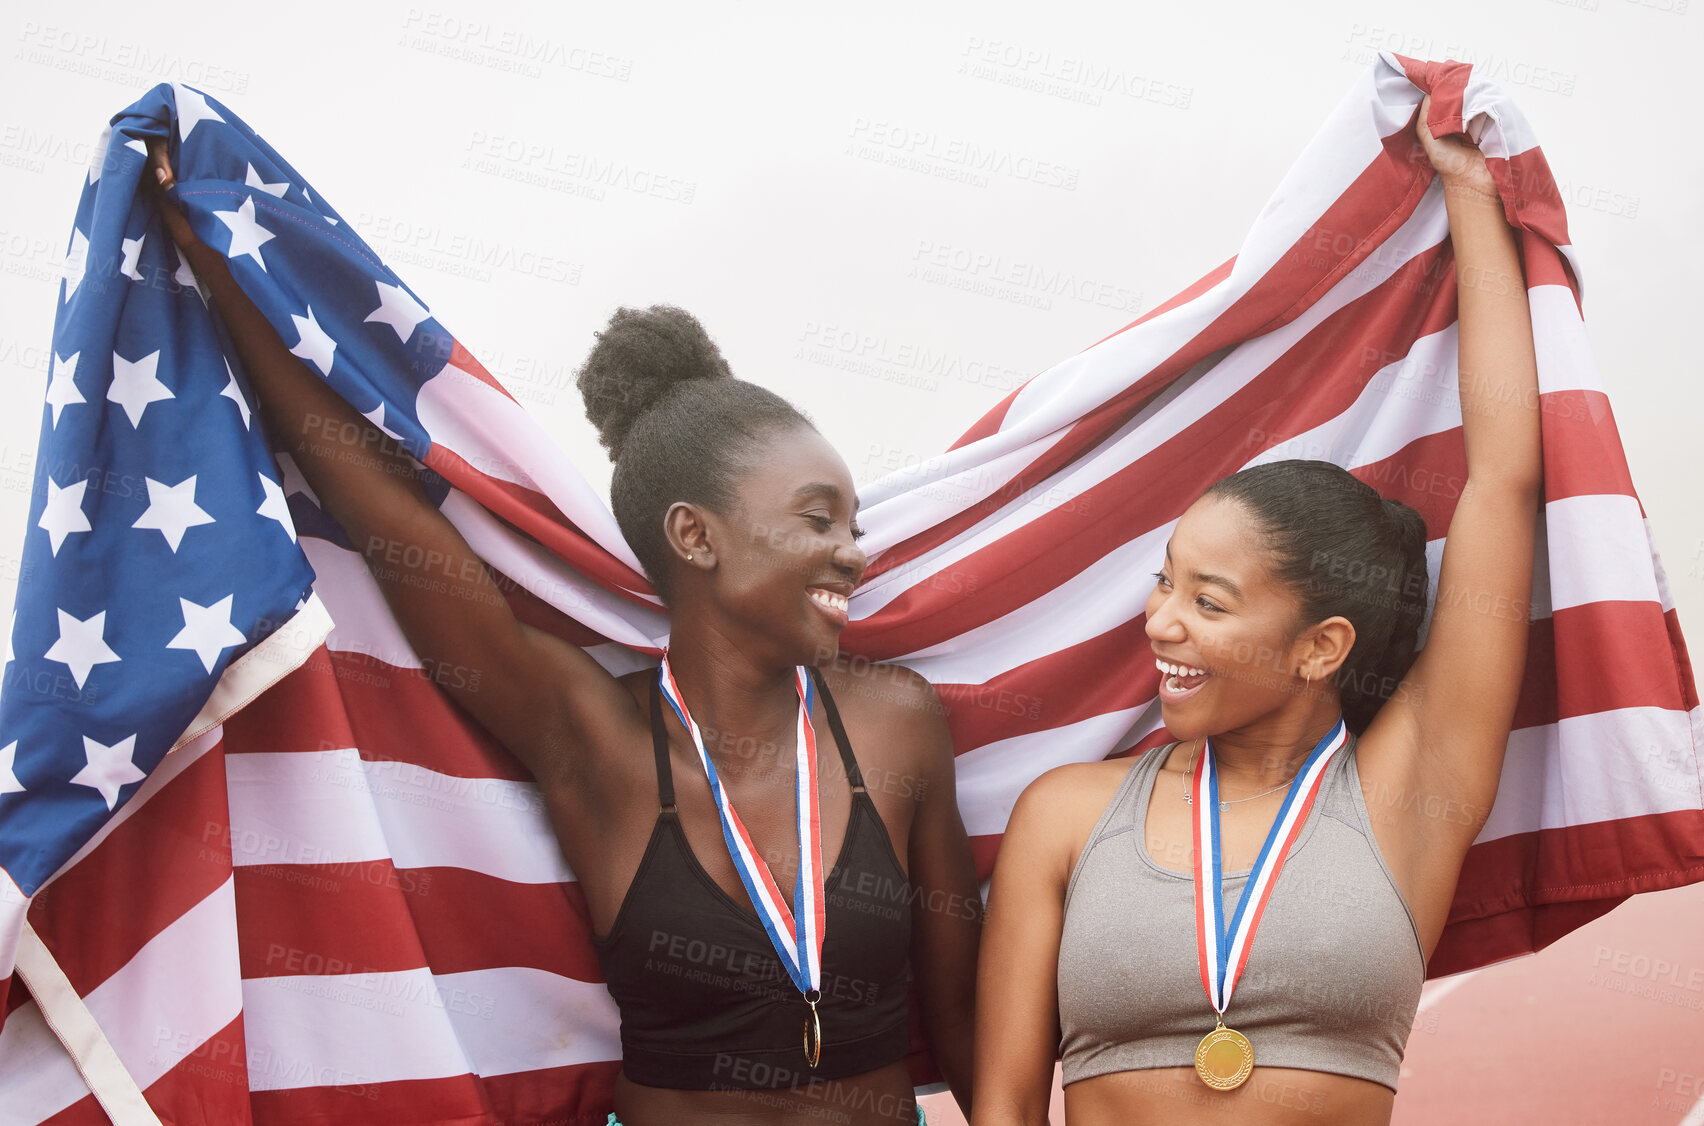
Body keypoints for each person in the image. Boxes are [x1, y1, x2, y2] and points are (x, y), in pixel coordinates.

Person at [145, 142, 980, 1126]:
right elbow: (390, 522)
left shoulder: (894, 725)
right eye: (816, 518)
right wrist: (219, 265)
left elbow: (966, 1022)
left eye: (853, 527)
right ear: (693, 536)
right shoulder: (597, 738)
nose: (851, 552)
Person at [972, 96, 1542, 1126]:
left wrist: (1466, 190)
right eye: (1163, 581)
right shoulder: (1064, 813)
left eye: (1207, 599)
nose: (1158, 622)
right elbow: (1004, 1110)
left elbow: (1500, 479)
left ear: (1319, 646)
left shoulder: (1409, 786)